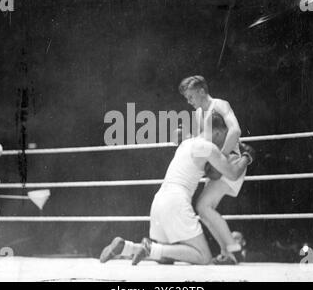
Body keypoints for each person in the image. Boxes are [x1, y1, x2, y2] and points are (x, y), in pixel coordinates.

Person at [100, 112, 254, 265]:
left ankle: (128, 247)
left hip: (159, 202)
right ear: (217, 132)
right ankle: (149, 248)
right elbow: (232, 174)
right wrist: (247, 157)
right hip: (176, 202)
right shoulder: (208, 148)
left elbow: (212, 173)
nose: (225, 142)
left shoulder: (187, 143)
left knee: (166, 256)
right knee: (203, 257)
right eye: (225, 136)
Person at [178, 75, 252, 264]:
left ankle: (232, 250)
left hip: (230, 160)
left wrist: (221, 156)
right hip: (216, 164)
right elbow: (202, 140)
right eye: (187, 98)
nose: (189, 101)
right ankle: (228, 252)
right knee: (203, 209)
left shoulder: (220, 105)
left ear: (202, 91)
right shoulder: (197, 114)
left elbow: (235, 131)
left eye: (191, 97)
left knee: (203, 206)